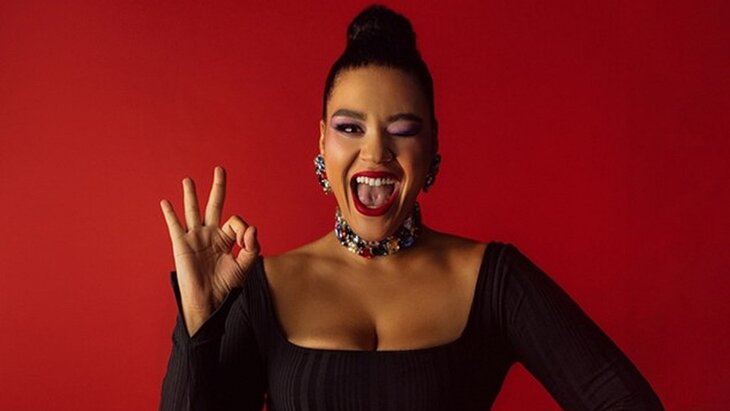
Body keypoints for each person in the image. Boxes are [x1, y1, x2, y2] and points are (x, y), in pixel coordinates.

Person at [159, 5, 663, 411]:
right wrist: (198, 317)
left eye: (401, 130)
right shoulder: (261, 288)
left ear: (432, 148)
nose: (376, 152)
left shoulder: (491, 280)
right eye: (350, 128)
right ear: (322, 142)